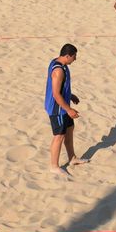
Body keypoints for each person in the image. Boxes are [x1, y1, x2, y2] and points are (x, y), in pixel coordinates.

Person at [44, 43, 87, 176]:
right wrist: (69, 109)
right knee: (59, 136)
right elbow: (56, 94)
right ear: (67, 56)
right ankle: (54, 166)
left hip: (63, 104)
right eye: (74, 56)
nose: (75, 59)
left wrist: (71, 95)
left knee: (69, 130)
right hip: (57, 108)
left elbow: (61, 88)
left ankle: (72, 158)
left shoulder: (62, 64)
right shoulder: (58, 71)